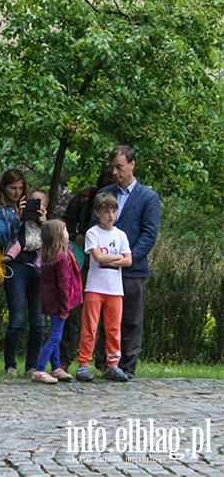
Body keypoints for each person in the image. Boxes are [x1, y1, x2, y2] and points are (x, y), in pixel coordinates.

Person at [92, 145, 160, 379]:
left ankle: (127, 367)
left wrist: (126, 259)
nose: (115, 171)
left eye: (119, 166)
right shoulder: (106, 193)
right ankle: (105, 364)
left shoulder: (148, 197)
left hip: (132, 269)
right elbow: (95, 227)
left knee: (130, 320)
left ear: (132, 164)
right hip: (104, 270)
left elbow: (148, 235)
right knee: (104, 320)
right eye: (112, 167)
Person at [0, 169, 46, 378]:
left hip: (36, 265)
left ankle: (32, 365)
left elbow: (43, 238)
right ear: (4, 188)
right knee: (17, 319)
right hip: (15, 267)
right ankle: (10, 366)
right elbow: (4, 239)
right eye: (13, 188)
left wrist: (42, 221)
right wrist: (18, 219)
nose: (17, 192)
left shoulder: (31, 205)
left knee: (39, 321)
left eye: (21, 188)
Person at [59, 171, 116, 372]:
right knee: (74, 312)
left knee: (106, 318)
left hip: (106, 267)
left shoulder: (117, 203)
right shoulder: (84, 198)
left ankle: (104, 361)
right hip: (81, 263)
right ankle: (65, 359)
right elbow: (65, 221)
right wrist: (76, 237)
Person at [77, 193, 132, 382]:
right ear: (97, 213)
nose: (110, 215)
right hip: (95, 287)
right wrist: (118, 258)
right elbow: (98, 257)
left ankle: (113, 364)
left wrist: (115, 259)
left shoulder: (121, 235)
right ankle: (84, 363)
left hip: (115, 289)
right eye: (106, 211)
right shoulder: (93, 233)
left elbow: (129, 260)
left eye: (114, 211)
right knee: (90, 327)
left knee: (113, 328)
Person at [31, 219, 82, 384]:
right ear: (59, 236)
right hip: (60, 303)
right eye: (65, 230)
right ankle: (39, 369)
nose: (68, 234)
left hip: (51, 302)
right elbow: (64, 285)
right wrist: (65, 306)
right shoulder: (63, 258)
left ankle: (56, 367)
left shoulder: (49, 257)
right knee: (55, 336)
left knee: (55, 333)